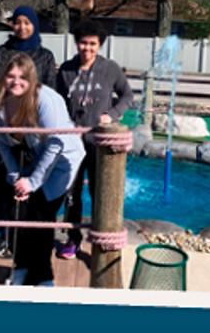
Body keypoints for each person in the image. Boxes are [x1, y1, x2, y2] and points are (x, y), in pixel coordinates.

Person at [0, 55, 85, 286]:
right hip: (31, 159)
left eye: (22, 77)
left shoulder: (45, 100)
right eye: (11, 76)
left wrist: (33, 182)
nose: (15, 81)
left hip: (60, 162)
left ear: (32, 79)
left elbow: (56, 144)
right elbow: (1, 143)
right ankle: (21, 268)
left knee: (41, 218)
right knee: (17, 214)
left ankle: (43, 276)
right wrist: (14, 177)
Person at [51, 21, 132, 259]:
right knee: (72, 193)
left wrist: (112, 115)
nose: (87, 48)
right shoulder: (66, 70)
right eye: (83, 42)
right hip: (73, 144)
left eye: (92, 44)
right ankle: (72, 239)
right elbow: (57, 103)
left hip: (99, 143)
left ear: (99, 45)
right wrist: (65, 125)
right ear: (77, 43)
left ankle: (101, 239)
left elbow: (127, 96)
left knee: (102, 192)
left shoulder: (110, 69)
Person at [0, 6, 57, 90]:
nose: (22, 27)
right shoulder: (0, 53)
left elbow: (50, 89)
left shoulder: (45, 56)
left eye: (27, 23)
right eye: (17, 23)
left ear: (34, 25)